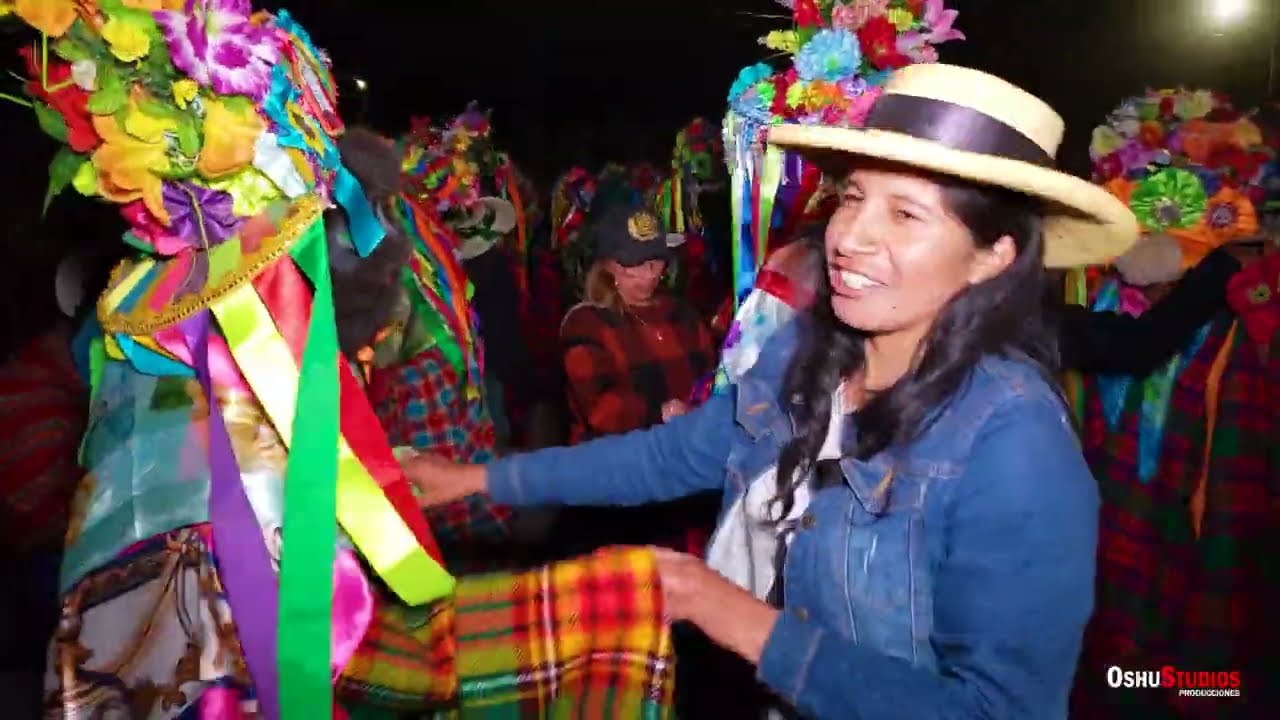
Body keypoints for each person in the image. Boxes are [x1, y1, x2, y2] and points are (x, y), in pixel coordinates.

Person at [404, 64, 1141, 719]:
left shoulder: (1013, 442)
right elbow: (670, 456)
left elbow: (997, 707)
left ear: (992, 256)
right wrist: (475, 477)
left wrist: (728, 613)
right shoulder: (802, 352)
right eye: (853, 197)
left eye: (907, 213)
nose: (850, 236)